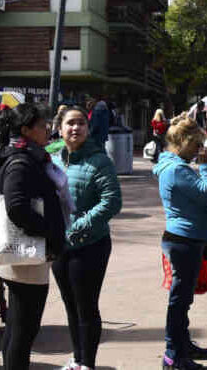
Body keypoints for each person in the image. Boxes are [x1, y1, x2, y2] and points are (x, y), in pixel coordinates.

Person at [0, 103, 67, 370]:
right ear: (25, 130)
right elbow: (16, 207)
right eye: (41, 125)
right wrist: (46, 231)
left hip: (28, 256)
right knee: (23, 331)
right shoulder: (20, 162)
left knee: (17, 329)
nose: (48, 129)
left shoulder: (31, 156)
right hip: (26, 257)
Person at [52, 106, 122, 370]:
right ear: (60, 129)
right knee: (70, 305)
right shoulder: (53, 158)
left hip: (90, 245)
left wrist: (81, 225)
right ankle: (77, 358)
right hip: (60, 245)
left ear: (88, 128)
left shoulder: (99, 160)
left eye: (81, 123)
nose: (75, 128)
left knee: (86, 307)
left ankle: (88, 363)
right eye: (70, 123)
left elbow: (112, 202)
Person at [153, 115, 207, 370]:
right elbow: (206, 194)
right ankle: (173, 354)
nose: (198, 151)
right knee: (179, 302)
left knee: (183, 299)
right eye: (195, 145)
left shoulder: (174, 165)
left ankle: (182, 344)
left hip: (187, 239)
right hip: (184, 241)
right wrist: (205, 167)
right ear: (182, 142)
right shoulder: (176, 169)